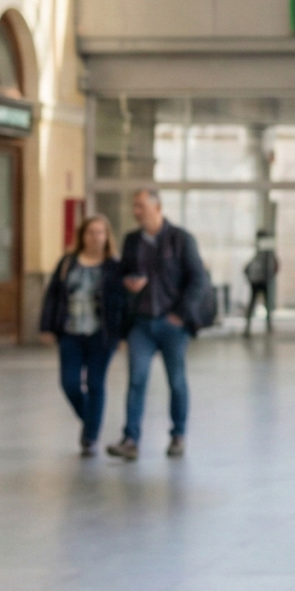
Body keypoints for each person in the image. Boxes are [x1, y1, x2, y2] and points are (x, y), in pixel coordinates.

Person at [113, 188, 210, 460]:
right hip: (141, 324)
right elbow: (122, 275)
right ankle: (130, 439)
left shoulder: (180, 239)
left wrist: (180, 314)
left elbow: (198, 280)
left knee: (176, 380)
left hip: (172, 325)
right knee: (136, 379)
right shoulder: (132, 241)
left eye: (141, 205)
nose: (136, 211)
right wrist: (128, 283)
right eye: (135, 206)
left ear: (157, 207)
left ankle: (178, 435)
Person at [39, 213, 129, 456]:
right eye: (90, 232)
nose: (95, 237)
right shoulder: (68, 262)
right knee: (69, 383)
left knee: (95, 383)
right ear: (82, 235)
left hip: (102, 334)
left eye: (100, 232)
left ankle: (90, 437)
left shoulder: (114, 266)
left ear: (107, 236)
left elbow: (122, 302)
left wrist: (123, 335)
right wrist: (46, 326)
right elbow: (53, 296)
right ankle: (91, 421)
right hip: (70, 332)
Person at [242, 230, 279, 337]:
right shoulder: (263, 249)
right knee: (259, 303)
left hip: (260, 280)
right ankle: (252, 327)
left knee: (262, 304)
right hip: (259, 280)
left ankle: (265, 326)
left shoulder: (265, 249)